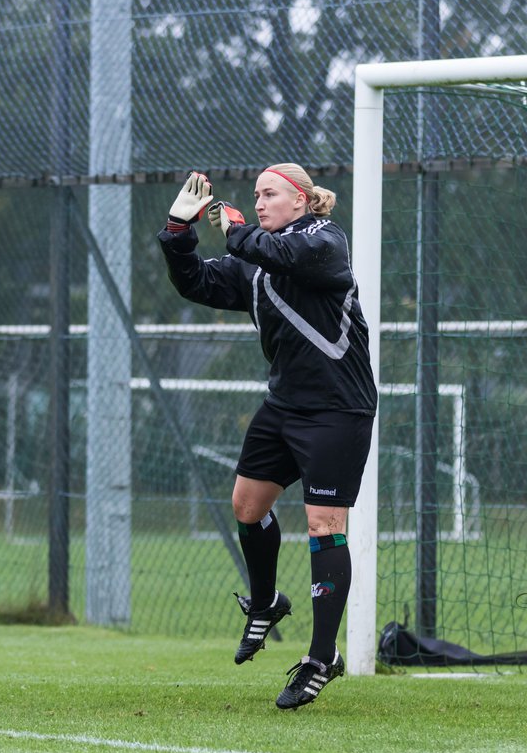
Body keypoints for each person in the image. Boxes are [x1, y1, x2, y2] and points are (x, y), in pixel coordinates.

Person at [158, 164, 377, 710]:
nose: (259, 202)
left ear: (301, 201)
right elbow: (198, 283)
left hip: (337, 409)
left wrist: (233, 229)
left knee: (325, 524)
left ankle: (321, 658)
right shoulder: (253, 260)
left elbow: (284, 256)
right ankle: (264, 602)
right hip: (284, 406)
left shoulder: (324, 241)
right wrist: (178, 234)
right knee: (247, 506)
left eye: (270, 193)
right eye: (254, 195)